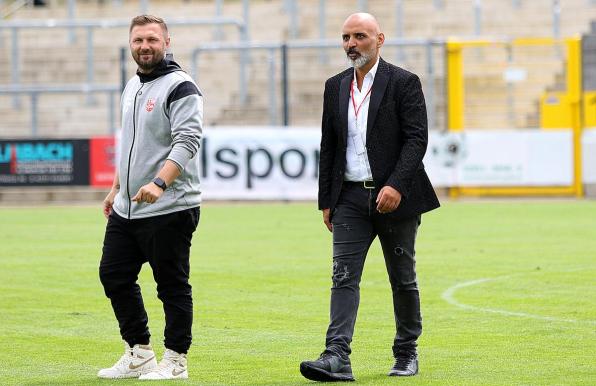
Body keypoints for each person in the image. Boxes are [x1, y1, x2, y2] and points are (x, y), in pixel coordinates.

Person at [299, 12, 440, 382]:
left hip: (396, 198)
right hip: (348, 199)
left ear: (380, 39)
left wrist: (395, 184)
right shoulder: (335, 86)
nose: (351, 44)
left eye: (359, 36)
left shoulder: (404, 82)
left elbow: (416, 139)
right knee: (342, 276)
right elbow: (328, 145)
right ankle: (336, 356)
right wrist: (325, 200)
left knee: (402, 279)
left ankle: (407, 352)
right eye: (345, 37)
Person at [97, 15, 203, 380]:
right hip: (128, 207)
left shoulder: (181, 86)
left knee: (171, 285)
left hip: (170, 206)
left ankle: (175, 360)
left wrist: (159, 183)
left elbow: (188, 141)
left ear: (167, 41)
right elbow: (130, 143)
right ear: (130, 43)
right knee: (113, 275)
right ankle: (139, 352)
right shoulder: (132, 85)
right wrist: (115, 187)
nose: (145, 46)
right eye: (139, 40)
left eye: (152, 40)